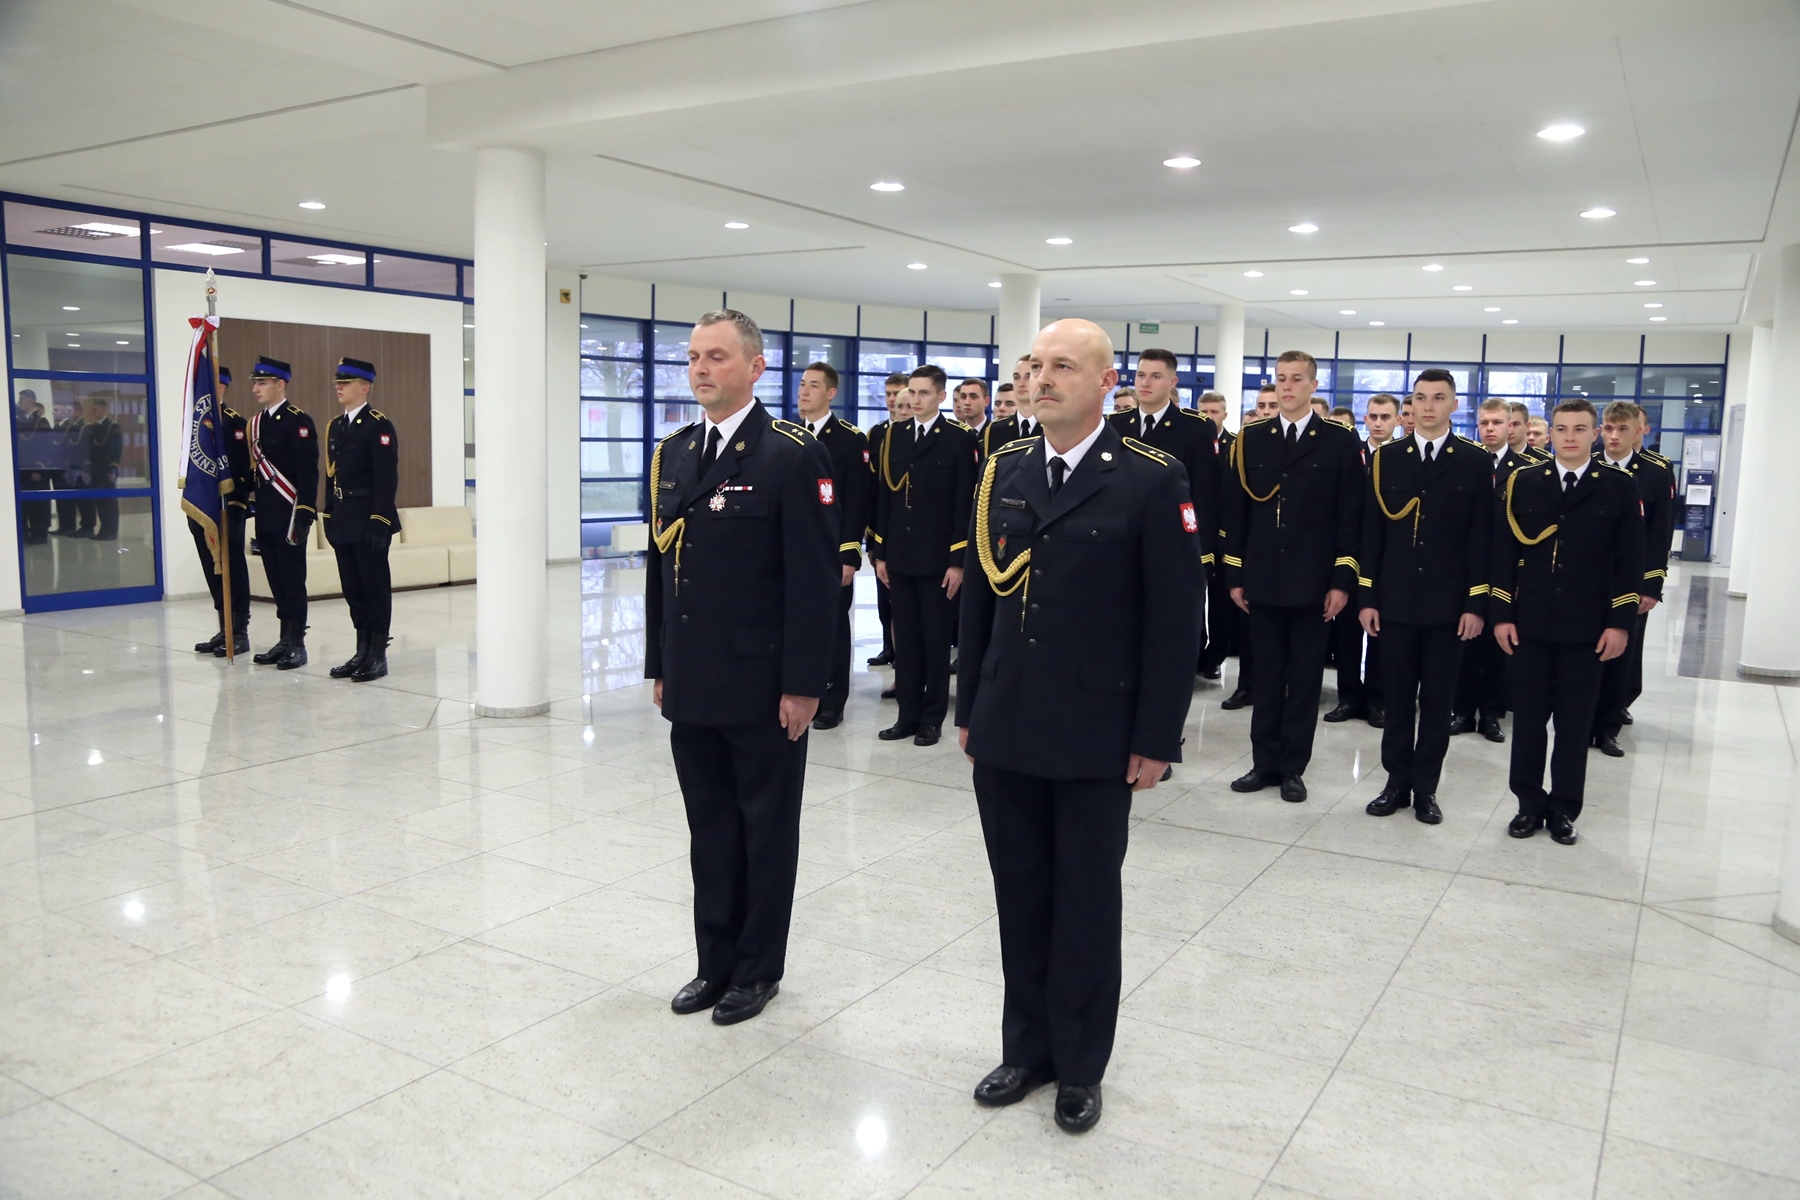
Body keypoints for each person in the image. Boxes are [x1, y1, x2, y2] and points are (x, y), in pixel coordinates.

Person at [957, 318, 1201, 1135]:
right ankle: (1026, 1050)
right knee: (1020, 894)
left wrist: (1157, 737)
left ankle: (1080, 1065)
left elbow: (1175, 620)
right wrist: (970, 706)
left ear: (1106, 384)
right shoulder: (1005, 467)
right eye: (1035, 366)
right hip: (1008, 724)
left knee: (1087, 906)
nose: (1042, 379)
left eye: (1062, 366)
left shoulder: (1151, 478)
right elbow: (981, 601)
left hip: (1098, 730)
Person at [647, 309, 838, 1026]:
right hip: (694, 680)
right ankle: (714, 963)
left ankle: (757, 970)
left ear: (756, 368)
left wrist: (804, 685)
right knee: (711, 831)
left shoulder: (790, 455)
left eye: (717, 357)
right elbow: (662, 569)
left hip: (762, 686)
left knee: (765, 832)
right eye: (694, 357)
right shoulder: (674, 453)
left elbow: (814, 582)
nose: (700, 369)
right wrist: (660, 662)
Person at [1491, 398, 1644, 846]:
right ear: (1550, 434)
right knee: (1529, 720)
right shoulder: (1524, 482)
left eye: (1579, 429)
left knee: (1575, 724)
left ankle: (1563, 808)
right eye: (1561, 429)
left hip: (1588, 626)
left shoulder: (1618, 486)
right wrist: (1502, 613)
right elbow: (1504, 553)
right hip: (1531, 622)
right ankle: (1527, 803)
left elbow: (1629, 561)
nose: (1570, 437)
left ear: (1595, 435)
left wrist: (1620, 623)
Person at [1222, 350, 1364, 802]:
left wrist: (1342, 580)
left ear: (1313, 386)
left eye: (1297, 379)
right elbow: (1236, 510)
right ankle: (1263, 763)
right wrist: (1235, 573)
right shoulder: (1251, 438)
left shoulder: (1339, 440)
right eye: (1281, 378)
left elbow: (1350, 515)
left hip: (1313, 581)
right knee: (1264, 676)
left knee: (1303, 679)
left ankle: (1292, 768)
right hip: (1262, 577)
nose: (1287, 386)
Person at [1359, 369, 1491, 825]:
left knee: (1437, 704)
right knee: (1396, 701)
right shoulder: (1387, 458)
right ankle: (1395, 782)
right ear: (1410, 406)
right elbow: (1372, 532)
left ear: (1455, 404)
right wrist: (1367, 595)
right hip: (1395, 599)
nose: (1428, 405)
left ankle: (1426, 789)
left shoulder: (1474, 461)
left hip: (1448, 604)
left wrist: (1475, 603)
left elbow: (1481, 537)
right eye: (1420, 398)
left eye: (1438, 397)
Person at [871, 365, 977, 745]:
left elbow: (964, 504)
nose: (915, 400)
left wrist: (957, 562)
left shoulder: (959, 439)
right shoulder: (894, 436)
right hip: (900, 555)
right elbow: (885, 497)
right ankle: (907, 715)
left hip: (937, 559)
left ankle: (932, 719)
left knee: (934, 642)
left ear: (941, 397)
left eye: (924, 394)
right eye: (912, 393)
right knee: (907, 642)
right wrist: (880, 552)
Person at [1113, 348, 1220, 692]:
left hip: (1173, 544)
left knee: (1169, 627)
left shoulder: (1195, 427)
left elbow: (1206, 495)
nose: (1145, 383)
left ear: (1172, 382)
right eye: (1141, 375)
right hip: (1122, 543)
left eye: (1155, 376)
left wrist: (1203, 552)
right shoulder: (1116, 425)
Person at [1589, 401, 1675, 757]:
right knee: (1585, 654)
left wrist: (1651, 586)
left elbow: (1660, 533)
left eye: (1622, 429)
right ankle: (1580, 722)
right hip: (1589, 580)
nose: (1613, 436)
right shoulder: (1588, 465)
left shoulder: (1654, 473)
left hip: (1630, 582)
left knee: (1621, 656)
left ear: (1638, 431)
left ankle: (1607, 727)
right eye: (1608, 428)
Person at [796, 361, 871, 730]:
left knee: (833, 626)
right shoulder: (790, 435)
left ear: (830, 393)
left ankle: (831, 699)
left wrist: (849, 554)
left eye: (813, 385)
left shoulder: (849, 439)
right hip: (796, 549)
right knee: (796, 624)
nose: (804, 391)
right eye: (802, 384)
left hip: (831, 551)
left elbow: (857, 500)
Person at [1451, 397, 1532, 741]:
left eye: (1497, 422)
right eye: (1484, 423)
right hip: (1466, 566)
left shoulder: (1527, 469)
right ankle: (1461, 710)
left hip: (1505, 568)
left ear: (1511, 425)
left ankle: (1491, 714)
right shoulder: (1465, 462)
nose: (1490, 429)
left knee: (1499, 643)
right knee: (1465, 642)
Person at [322, 358, 399, 682]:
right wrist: (328, 513)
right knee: (353, 589)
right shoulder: (336, 426)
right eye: (338, 382)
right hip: (343, 518)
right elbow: (331, 476)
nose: (339, 387)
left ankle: (377, 654)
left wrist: (380, 520)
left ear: (365, 388)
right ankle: (361, 649)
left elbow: (386, 478)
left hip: (369, 519)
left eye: (347, 382)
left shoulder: (378, 426)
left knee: (374, 589)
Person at [246, 356, 318, 670]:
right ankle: (284, 639)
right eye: (255, 383)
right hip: (266, 515)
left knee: (292, 580)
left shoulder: (298, 422)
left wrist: (304, 513)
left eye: (262, 383)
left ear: (280, 384)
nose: (255, 389)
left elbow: (308, 473)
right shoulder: (256, 423)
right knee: (275, 579)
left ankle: (297, 643)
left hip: (290, 515)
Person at [1222, 383, 1281, 710]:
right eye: (1262, 406)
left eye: (1272, 405)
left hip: (1291, 557)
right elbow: (1235, 508)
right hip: (1255, 556)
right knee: (1249, 631)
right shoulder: (1245, 446)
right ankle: (1246, 687)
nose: (1266, 411)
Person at [191, 367, 255, 657]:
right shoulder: (196, 423)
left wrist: (238, 510)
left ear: (221, 387)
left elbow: (243, 474)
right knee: (212, 568)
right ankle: (224, 626)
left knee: (232, 570)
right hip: (204, 509)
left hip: (228, 510)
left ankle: (239, 631)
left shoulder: (233, 424)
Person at [864, 373, 910, 669]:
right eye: (889, 394)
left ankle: (903, 653)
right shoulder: (878, 433)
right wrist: (871, 536)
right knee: (883, 594)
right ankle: (887, 645)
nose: (893, 400)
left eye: (899, 394)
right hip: (881, 527)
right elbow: (872, 487)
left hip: (906, 528)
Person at [1196, 390, 1236, 681]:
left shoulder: (1235, 445)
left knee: (1221, 601)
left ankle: (1215, 656)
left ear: (1224, 414)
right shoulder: (1195, 441)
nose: (1209, 417)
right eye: (1204, 412)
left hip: (1225, 532)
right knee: (1195, 597)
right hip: (1198, 531)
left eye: (1214, 412)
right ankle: (1196, 651)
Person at [14, 391, 53, 544]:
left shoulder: (41, 422)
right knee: (25, 505)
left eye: (22, 399)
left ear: (31, 401)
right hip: (23, 470)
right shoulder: (19, 422)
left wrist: (40, 469)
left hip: (37, 470)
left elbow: (47, 447)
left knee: (39, 505)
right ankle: (25, 532)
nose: (19, 402)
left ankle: (40, 533)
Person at [86, 396, 123, 540]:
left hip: (107, 469)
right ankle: (103, 529)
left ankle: (111, 530)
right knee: (100, 501)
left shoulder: (113, 427)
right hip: (96, 470)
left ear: (104, 409)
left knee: (109, 502)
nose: (93, 412)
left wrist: (113, 468)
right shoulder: (94, 427)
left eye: (95, 409)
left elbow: (116, 449)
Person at [52, 397, 89, 537]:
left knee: (72, 500)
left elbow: (77, 448)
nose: (68, 414)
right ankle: (64, 526)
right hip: (59, 466)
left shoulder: (75, 427)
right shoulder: (60, 427)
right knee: (61, 498)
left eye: (69, 411)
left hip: (71, 466)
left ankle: (73, 526)